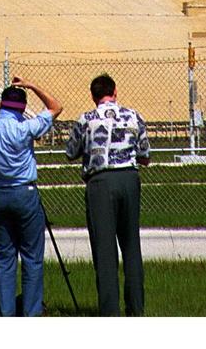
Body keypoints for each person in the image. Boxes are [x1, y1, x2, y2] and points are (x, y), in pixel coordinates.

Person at [0, 76, 63, 317]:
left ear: (0, 105)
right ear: (22, 109)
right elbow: (55, 107)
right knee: (32, 257)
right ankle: (31, 313)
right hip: (25, 192)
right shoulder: (26, 128)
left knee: (4, 257)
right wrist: (32, 85)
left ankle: (6, 313)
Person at [64, 73, 150, 316]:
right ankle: (135, 309)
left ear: (93, 96)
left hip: (100, 181)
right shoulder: (134, 116)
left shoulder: (86, 119)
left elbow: (71, 152)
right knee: (131, 245)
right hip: (129, 179)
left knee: (104, 250)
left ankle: (109, 312)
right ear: (115, 92)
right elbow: (145, 156)